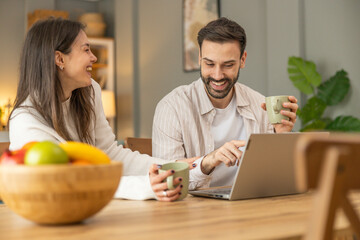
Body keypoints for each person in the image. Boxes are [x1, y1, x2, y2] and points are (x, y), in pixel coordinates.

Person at [9, 18, 195, 202]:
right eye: (86, 50)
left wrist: (167, 167)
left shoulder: (89, 92)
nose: (94, 57)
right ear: (59, 59)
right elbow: (68, 180)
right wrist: (145, 186)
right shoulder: (25, 120)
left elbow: (109, 153)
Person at [152, 17, 298, 189]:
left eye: (228, 65)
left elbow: (274, 179)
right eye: (209, 63)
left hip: (249, 207)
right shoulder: (172, 109)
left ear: (242, 60)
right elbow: (169, 182)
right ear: (199, 58)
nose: (217, 75)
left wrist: (281, 137)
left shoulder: (260, 105)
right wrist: (208, 162)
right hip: (194, 212)